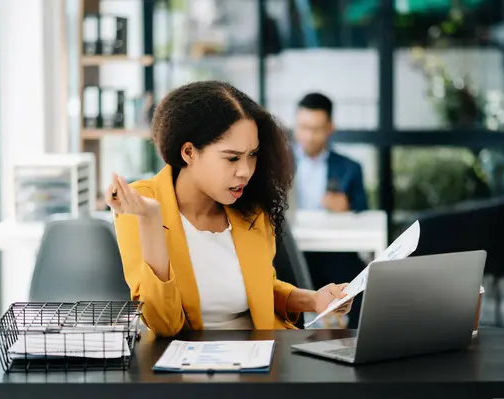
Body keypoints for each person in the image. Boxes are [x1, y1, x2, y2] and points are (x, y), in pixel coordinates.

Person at [105, 81, 352, 336]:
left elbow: (258, 289)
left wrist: (315, 300)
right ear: (189, 152)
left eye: (252, 154)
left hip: (263, 355)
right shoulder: (141, 205)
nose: (245, 171)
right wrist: (150, 220)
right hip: (185, 362)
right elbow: (163, 323)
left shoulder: (249, 206)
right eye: (232, 157)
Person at [292, 92, 368, 329]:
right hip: (294, 251)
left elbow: (365, 212)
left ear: (330, 128)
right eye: (303, 127)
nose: (309, 136)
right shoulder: (278, 164)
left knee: (363, 282)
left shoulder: (349, 168)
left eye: (316, 129)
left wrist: (348, 208)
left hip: (334, 250)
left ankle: (357, 340)